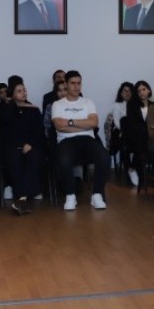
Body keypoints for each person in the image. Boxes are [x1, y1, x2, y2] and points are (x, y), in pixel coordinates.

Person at [51, 71, 110, 211]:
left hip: (87, 139)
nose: (76, 86)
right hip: (66, 141)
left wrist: (70, 122)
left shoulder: (88, 102)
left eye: (79, 83)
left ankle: (97, 195)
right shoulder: (58, 104)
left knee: (104, 156)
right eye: (73, 83)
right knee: (64, 159)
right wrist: (83, 124)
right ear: (66, 84)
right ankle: (70, 196)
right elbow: (59, 125)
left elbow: (94, 123)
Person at [2, 81, 45, 215]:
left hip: (32, 145)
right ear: (12, 95)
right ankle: (24, 197)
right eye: (18, 91)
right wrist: (12, 104)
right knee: (14, 158)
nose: (23, 93)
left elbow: (39, 131)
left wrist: (30, 143)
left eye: (24, 90)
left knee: (33, 157)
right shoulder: (8, 109)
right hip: (14, 145)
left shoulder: (34, 109)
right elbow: (7, 130)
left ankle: (22, 198)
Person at [120, 81, 152, 188]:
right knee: (142, 141)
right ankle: (133, 169)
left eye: (144, 89)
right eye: (139, 91)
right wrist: (145, 132)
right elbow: (132, 123)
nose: (142, 92)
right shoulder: (131, 105)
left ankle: (134, 168)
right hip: (134, 135)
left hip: (149, 136)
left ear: (149, 90)